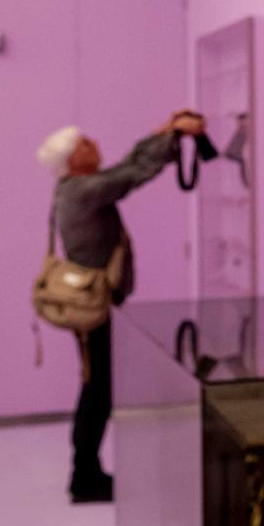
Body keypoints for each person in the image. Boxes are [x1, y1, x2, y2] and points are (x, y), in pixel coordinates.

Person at [35, 110, 206, 503]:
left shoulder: (77, 186)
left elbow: (128, 165)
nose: (93, 143)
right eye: (84, 143)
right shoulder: (83, 191)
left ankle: (86, 471)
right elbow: (130, 176)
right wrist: (170, 139)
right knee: (97, 390)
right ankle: (84, 477)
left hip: (95, 303)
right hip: (94, 308)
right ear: (72, 160)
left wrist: (163, 131)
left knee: (97, 388)